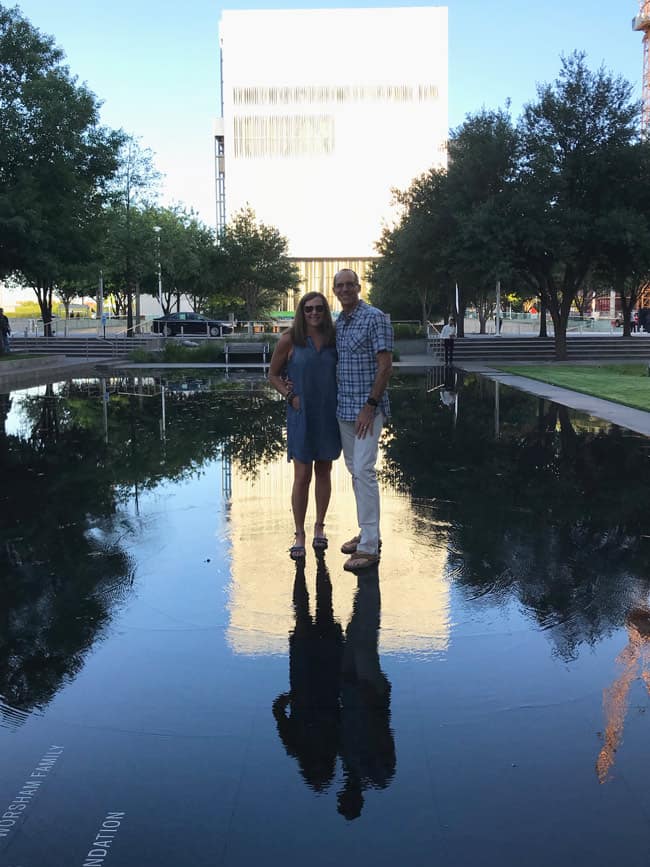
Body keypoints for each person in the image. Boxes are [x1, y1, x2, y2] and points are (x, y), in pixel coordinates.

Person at [269, 292, 341, 559]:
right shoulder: (290, 340)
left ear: (325, 310)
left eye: (319, 308)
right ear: (302, 311)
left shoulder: (334, 339)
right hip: (302, 414)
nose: (314, 313)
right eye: (309, 308)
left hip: (329, 413)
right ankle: (299, 532)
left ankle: (319, 527)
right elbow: (273, 374)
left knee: (325, 471)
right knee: (302, 476)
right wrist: (289, 396)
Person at [333, 269, 393, 572]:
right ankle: (368, 533)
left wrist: (371, 405)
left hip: (366, 410)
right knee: (355, 471)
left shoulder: (375, 317)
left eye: (349, 285)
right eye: (339, 286)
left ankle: (369, 548)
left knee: (364, 471)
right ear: (335, 291)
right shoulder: (340, 322)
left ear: (358, 287)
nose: (345, 290)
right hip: (344, 410)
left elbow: (385, 366)